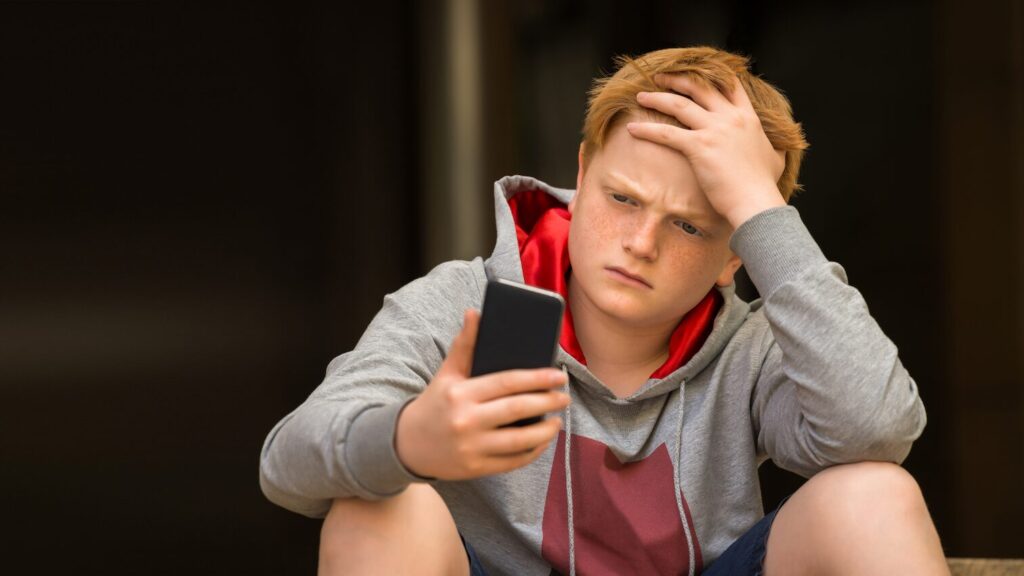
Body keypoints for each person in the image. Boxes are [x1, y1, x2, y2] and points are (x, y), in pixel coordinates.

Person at [259, 46, 950, 575]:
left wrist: (760, 206)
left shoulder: (754, 346)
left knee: (873, 494)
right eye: (623, 198)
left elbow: (876, 428)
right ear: (583, 172)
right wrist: (412, 439)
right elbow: (286, 465)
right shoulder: (477, 306)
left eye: (690, 227)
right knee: (377, 509)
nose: (640, 243)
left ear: (738, 251)